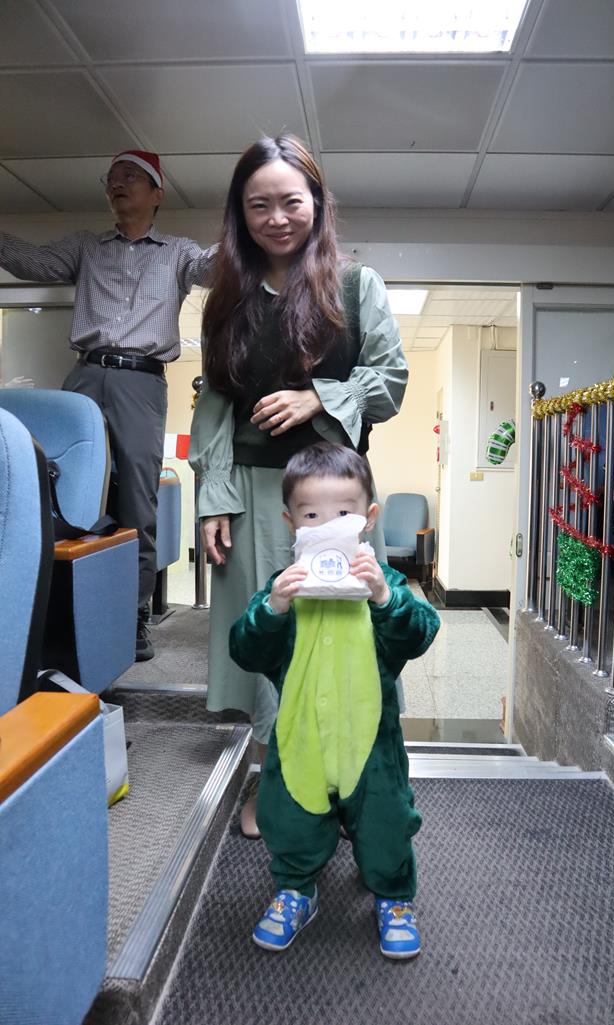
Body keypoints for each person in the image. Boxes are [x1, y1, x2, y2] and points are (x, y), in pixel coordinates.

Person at [189, 134, 408, 836]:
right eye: (259, 205)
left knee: (345, 634)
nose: (276, 218)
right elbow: (214, 406)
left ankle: (348, 785)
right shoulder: (226, 299)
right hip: (252, 491)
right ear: (240, 212)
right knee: (272, 637)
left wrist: (319, 397)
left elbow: (391, 380)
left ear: (317, 201)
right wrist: (214, 498)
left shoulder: (356, 285)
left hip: (336, 495)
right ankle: (274, 781)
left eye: (291, 201)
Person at [0, 150, 217, 661]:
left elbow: (215, 269)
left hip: (141, 381)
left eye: (130, 176)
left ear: (157, 193)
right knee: (60, 493)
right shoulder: (86, 246)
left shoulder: (178, 252)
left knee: (137, 500)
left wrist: (249, 226)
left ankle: (132, 614)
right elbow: (31, 262)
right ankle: (57, 608)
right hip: (85, 373)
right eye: (112, 177)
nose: (117, 183)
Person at [229, 442, 440, 958]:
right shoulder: (283, 588)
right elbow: (245, 650)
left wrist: (384, 599)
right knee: (289, 816)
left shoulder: (384, 583)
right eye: (311, 516)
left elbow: (421, 633)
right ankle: (296, 889)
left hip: (371, 744)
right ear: (291, 523)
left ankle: (393, 896)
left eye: (344, 514)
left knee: (386, 819)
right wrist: (274, 608)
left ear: (368, 518)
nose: (327, 526)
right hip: (300, 738)